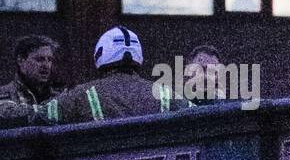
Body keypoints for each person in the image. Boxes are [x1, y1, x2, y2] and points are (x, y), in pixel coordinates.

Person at [46, 26, 186, 124]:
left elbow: (36, 115)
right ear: (139, 56)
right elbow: (201, 115)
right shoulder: (165, 94)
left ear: (99, 55)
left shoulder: (81, 95)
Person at [0, 35, 59, 126]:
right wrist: (57, 110)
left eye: (49, 60)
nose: (46, 65)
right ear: (21, 61)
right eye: (40, 59)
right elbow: (9, 115)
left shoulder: (57, 95)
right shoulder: (5, 93)